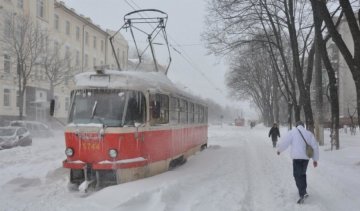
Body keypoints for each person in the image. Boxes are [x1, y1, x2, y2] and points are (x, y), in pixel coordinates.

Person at [276, 121, 319, 204]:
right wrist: (315, 160)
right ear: (303, 126)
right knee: (302, 174)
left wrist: (279, 150)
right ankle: (304, 191)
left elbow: (285, 142)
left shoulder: (293, 132)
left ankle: (302, 193)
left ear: (297, 125)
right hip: (306, 158)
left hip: (296, 158)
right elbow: (315, 147)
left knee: (297, 175)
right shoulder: (308, 133)